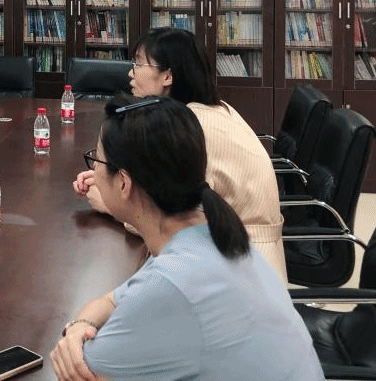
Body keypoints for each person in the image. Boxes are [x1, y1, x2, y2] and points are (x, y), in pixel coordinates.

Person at [51, 95, 323, 381]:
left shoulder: (172, 281)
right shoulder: (208, 232)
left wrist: (72, 340)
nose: (93, 172)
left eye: (96, 159)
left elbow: (81, 373)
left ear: (123, 183)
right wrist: (79, 325)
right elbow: (113, 300)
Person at [72, 27, 287, 281]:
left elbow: (171, 222)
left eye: (138, 64)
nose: (130, 73)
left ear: (167, 76)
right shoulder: (208, 110)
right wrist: (108, 179)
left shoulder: (195, 127)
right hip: (233, 253)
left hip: (242, 269)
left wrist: (111, 204)